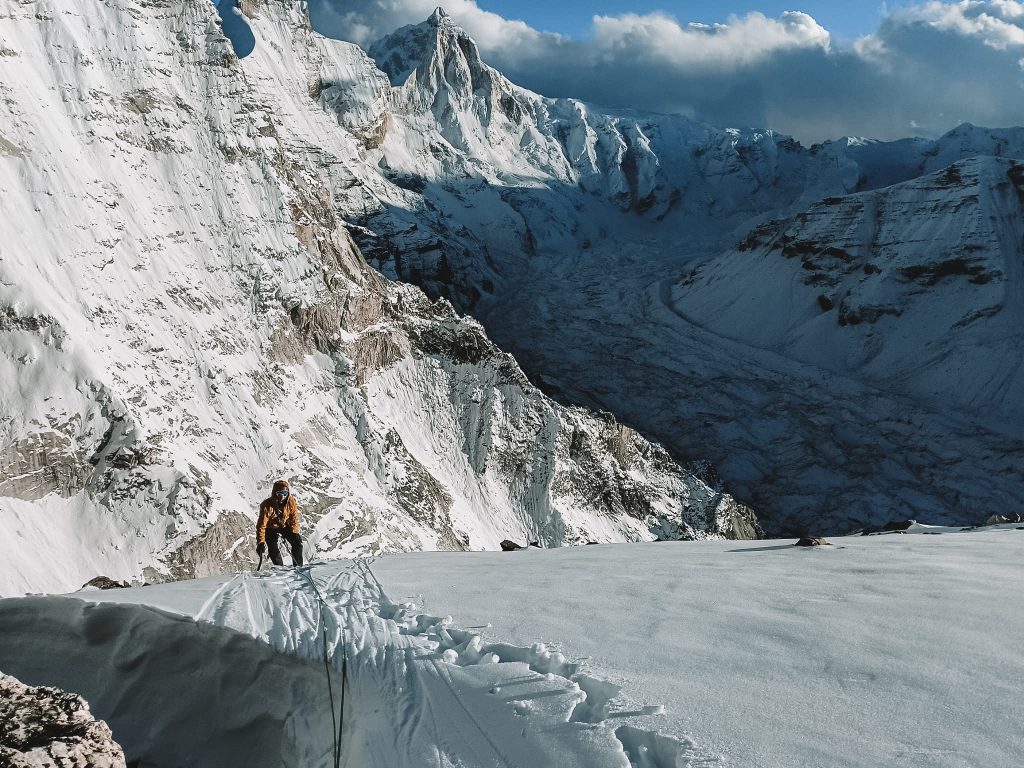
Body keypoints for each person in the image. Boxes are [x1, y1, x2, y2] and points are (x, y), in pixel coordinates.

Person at [256, 480, 303, 566]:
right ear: (275, 493)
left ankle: (298, 565)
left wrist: (294, 533)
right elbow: (262, 525)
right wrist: (261, 542)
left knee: (297, 543)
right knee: (272, 547)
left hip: (285, 525)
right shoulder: (266, 505)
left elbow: (294, 519)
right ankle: (279, 567)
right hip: (271, 527)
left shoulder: (290, 502)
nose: (283, 496)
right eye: (280, 493)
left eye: (285, 493)